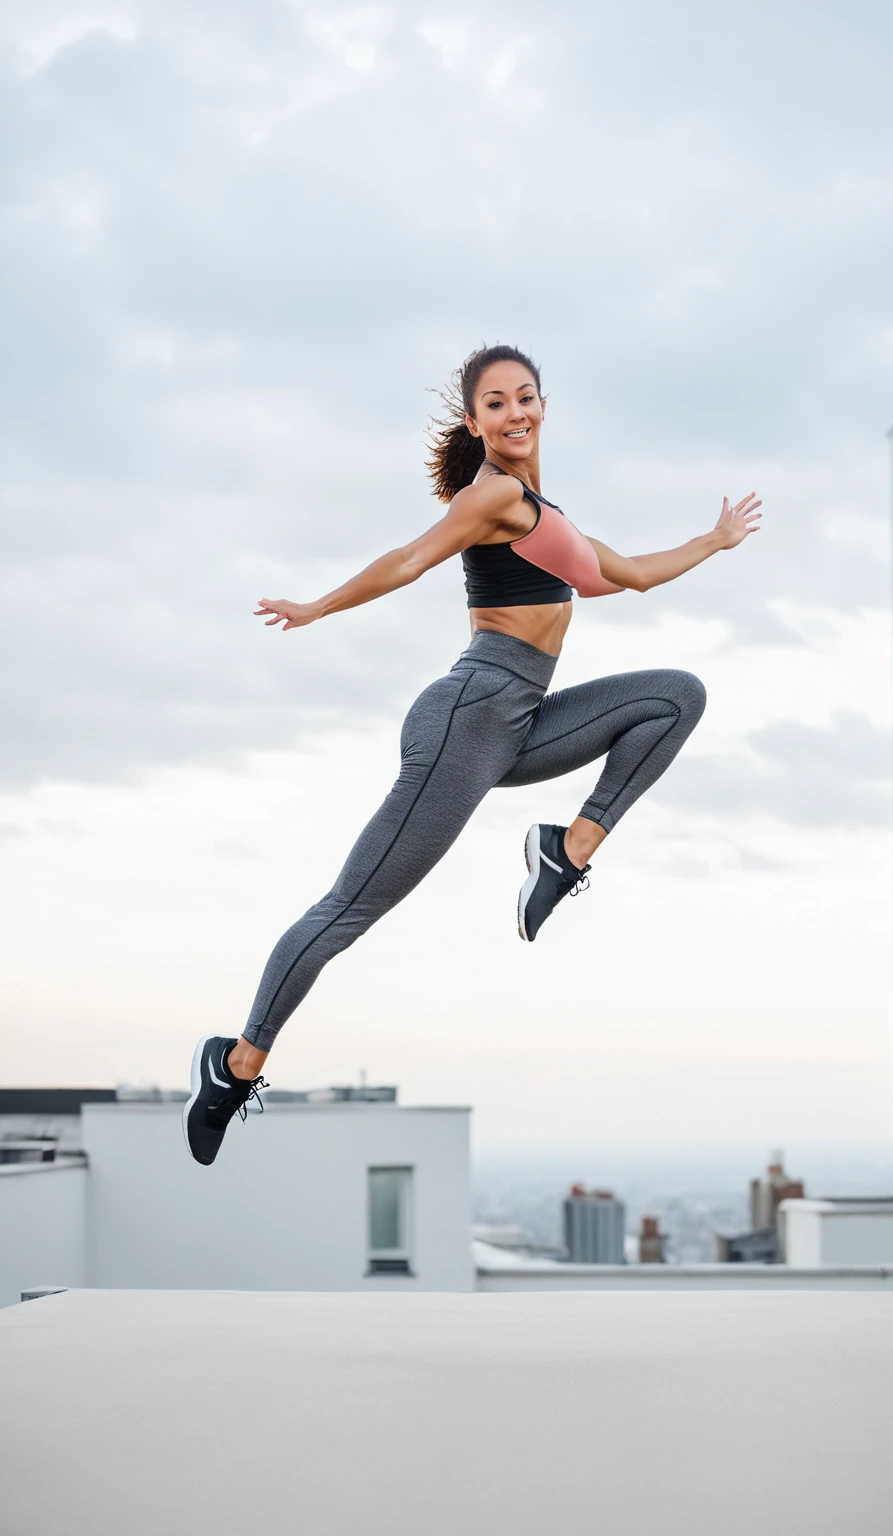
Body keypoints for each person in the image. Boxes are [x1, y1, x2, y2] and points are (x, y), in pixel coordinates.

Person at [183, 344, 761, 1164]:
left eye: (526, 397)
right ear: (475, 421)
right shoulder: (491, 496)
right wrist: (316, 607)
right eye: (497, 403)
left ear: (544, 406)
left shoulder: (541, 510)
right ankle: (235, 1064)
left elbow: (630, 574)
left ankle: (566, 849)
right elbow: (410, 559)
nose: (516, 412)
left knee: (675, 697)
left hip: (519, 723)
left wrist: (714, 540)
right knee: (350, 909)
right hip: (470, 720)